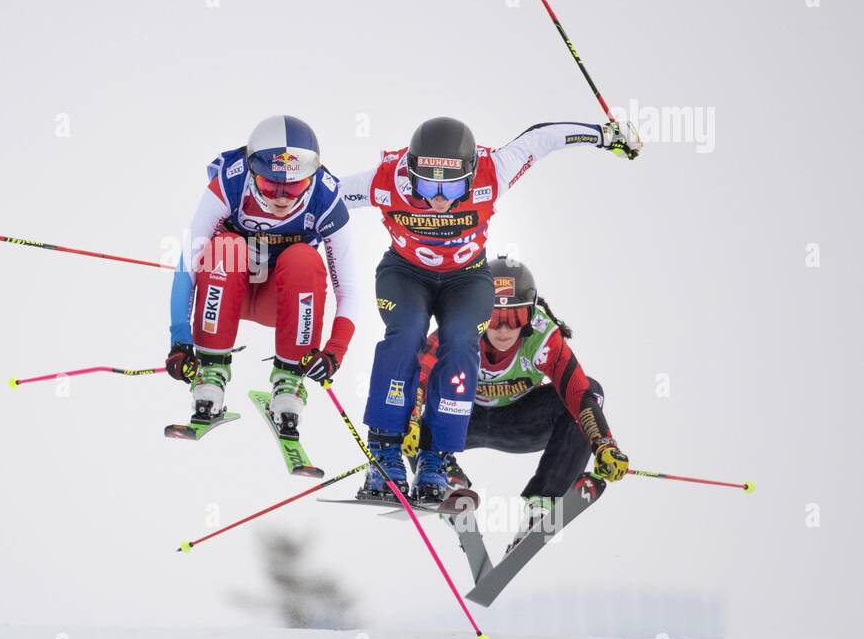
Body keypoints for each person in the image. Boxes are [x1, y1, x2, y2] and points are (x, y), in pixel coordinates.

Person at [341, 116, 639, 501]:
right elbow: (319, 193)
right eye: (428, 184)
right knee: (408, 333)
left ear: (471, 174)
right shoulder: (384, 181)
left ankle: (437, 460)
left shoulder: (493, 172)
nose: (439, 199)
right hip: (405, 273)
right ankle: (384, 454)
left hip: (465, 278)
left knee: (462, 339)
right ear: (411, 172)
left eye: (452, 187)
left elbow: (543, 139)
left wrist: (604, 136)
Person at [405, 256, 630, 545]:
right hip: (460, 421)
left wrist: (604, 443)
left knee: (591, 393)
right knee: (402, 406)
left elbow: (579, 392)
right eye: (495, 318)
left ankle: (543, 503)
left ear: (531, 314)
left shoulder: (541, 336)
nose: (504, 330)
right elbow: (419, 373)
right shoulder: (460, 327)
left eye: (516, 319)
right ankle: (443, 480)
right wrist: (410, 417)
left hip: (522, 423)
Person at [165, 116, 361, 435]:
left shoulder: (326, 198)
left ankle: (288, 382)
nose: (282, 197)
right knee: (226, 247)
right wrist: (179, 339)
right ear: (254, 173)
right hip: (229, 291)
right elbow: (189, 262)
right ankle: (210, 375)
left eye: (294, 186)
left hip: (282, 302)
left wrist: (334, 351)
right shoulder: (230, 182)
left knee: (304, 260)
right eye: (271, 185)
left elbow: (349, 289)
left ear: (310, 178)